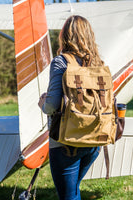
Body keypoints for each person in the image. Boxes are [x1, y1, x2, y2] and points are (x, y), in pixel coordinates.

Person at [38, 15, 103, 200]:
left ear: (64, 36)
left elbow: (51, 106)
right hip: (95, 141)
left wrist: (42, 102)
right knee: (73, 191)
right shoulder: (98, 63)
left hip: (66, 142)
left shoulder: (61, 62)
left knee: (69, 196)